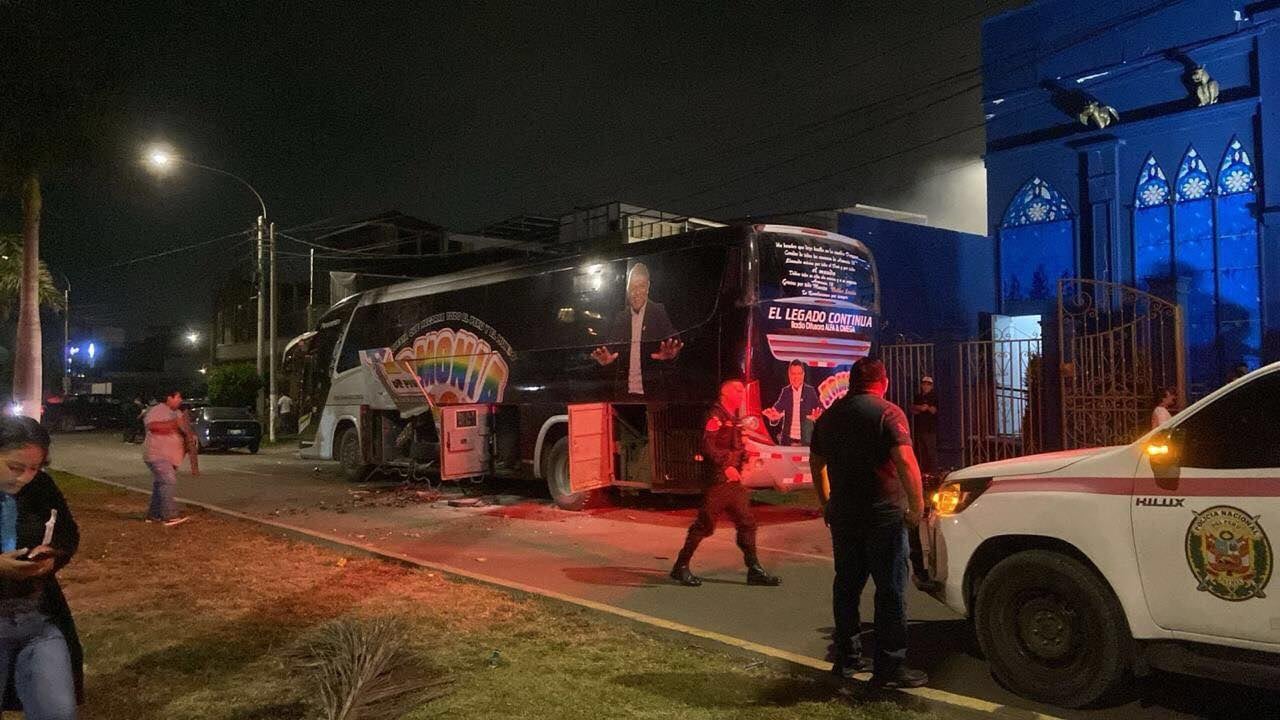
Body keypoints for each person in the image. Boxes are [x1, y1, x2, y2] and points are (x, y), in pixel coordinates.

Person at [810, 358, 928, 688]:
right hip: (883, 518)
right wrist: (917, 506)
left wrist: (826, 503)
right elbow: (905, 461)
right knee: (890, 591)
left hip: (845, 517)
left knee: (846, 587)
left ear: (851, 382)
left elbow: (816, 463)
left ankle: (847, 660)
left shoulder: (829, 417)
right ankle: (890, 667)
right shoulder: (888, 413)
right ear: (883, 381)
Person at [0, 416, 82, 719]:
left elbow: (67, 532)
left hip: (38, 622)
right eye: (15, 467)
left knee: (58, 713)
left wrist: (53, 555)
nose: (24, 478)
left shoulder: (41, 487)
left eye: (35, 468)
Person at [670, 379, 781, 588]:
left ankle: (754, 569)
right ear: (724, 393)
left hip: (733, 483)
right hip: (718, 481)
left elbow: (736, 445)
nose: (741, 393)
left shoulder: (733, 418)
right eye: (737, 390)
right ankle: (680, 566)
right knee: (705, 525)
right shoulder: (715, 415)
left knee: (747, 523)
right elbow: (707, 445)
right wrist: (724, 466)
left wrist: (745, 460)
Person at [590, 262, 683, 397]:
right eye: (632, 287)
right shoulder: (621, 317)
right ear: (627, 289)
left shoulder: (658, 311)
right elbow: (611, 346)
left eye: (641, 286)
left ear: (648, 287)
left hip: (653, 393)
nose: (636, 292)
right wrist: (605, 359)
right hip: (624, 395)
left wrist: (671, 355)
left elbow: (674, 342)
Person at [143, 390, 198, 526]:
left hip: (170, 457)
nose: (180, 400)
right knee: (168, 481)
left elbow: (185, 432)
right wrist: (174, 424)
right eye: (178, 397)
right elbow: (153, 426)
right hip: (158, 455)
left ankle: (154, 515)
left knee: (160, 484)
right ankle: (169, 515)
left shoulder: (178, 413)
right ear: (169, 397)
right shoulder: (158, 410)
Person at [762, 360, 822, 446]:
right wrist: (773, 417)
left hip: (806, 441)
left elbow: (819, 410)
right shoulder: (786, 391)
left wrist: (817, 418)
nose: (796, 377)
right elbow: (776, 411)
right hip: (787, 441)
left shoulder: (810, 391)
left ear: (803, 375)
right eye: (793, 374)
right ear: (789, 375)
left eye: (799, 374)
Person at [909, 376, 938, 474]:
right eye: (924, 384)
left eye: (928, 384)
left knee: (930, 452)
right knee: (921, 452)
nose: (926, 386)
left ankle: (933, 473)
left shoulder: (934, 396)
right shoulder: (918, 396)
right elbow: (912, 409)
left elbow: (934, 410)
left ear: (931, 386)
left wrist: (927, 407)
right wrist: (921, 407)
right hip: (919, 428)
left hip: (930, 429)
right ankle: (923, 473)